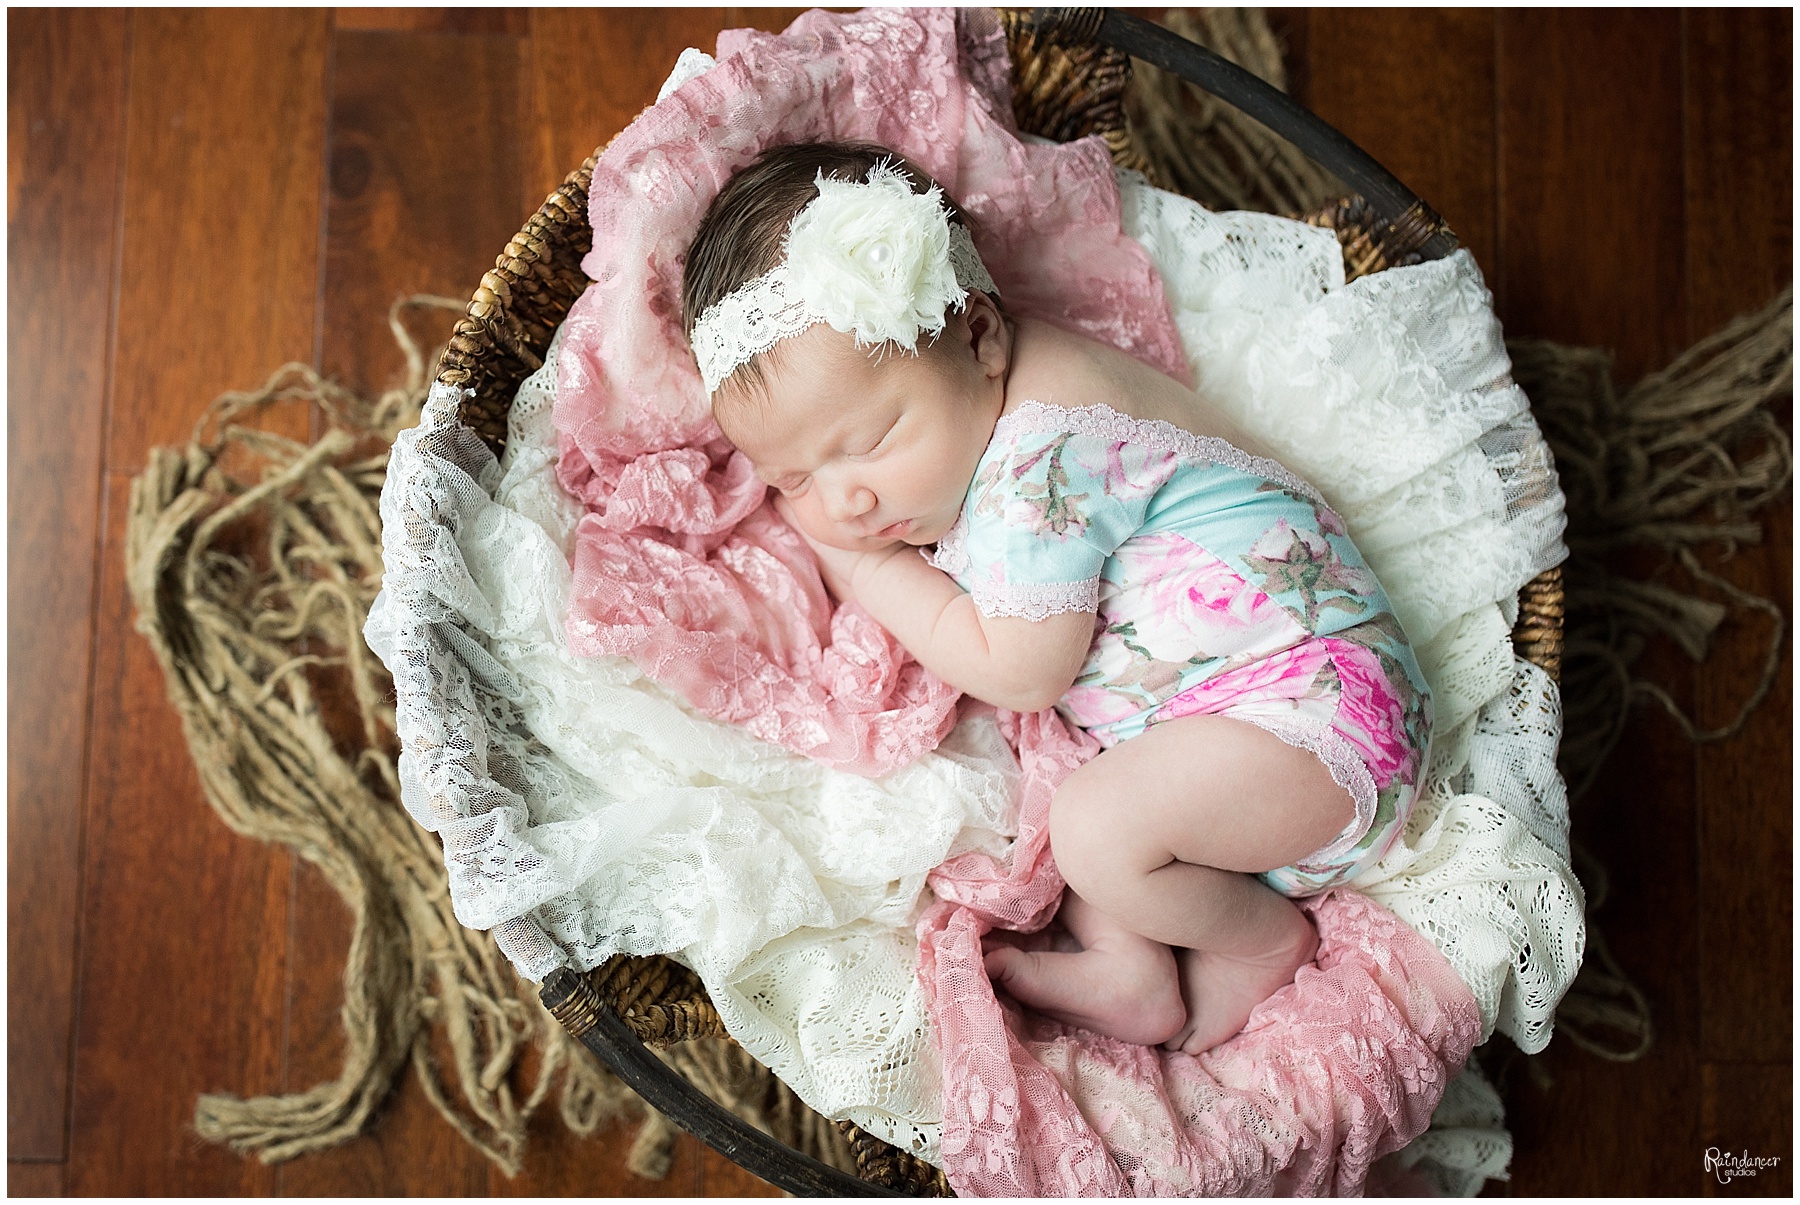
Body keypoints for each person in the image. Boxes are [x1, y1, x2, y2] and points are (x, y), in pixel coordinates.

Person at [681, 141, 1432, 1055]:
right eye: (793, 478)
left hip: (1323, 722)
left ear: (980, 337)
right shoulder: (986, 411)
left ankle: (1264, 942)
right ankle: (1135, 970)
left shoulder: (1043, 453)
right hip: (1236, 741)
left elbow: (1022, 668)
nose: (844, 501)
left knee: (1090, 821)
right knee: (1068, 780)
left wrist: (878, 574)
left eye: (870, 439)